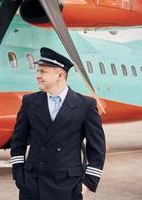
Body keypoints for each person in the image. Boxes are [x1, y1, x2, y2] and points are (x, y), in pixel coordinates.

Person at [10, 47, 106, 200]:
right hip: (32, 185)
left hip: (68, 187)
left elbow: (97, 149)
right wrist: (19, 175)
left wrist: (87, 184)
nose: (38, 76)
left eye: (43, 71)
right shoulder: (30, 102)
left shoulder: (85, 105)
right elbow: (17, 141)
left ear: (60, 75)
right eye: (38, 71)